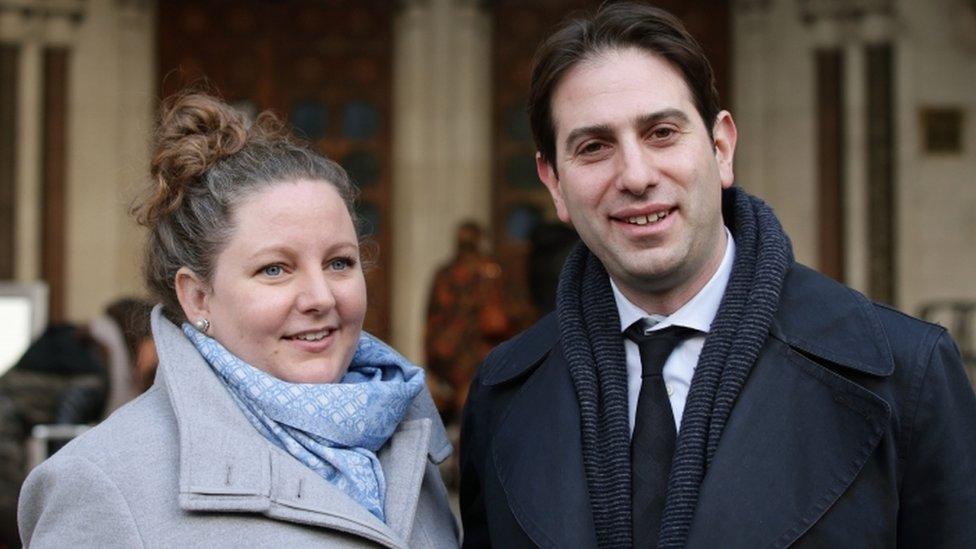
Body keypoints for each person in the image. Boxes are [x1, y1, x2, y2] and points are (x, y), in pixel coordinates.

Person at [459, 3, 976, 548]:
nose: (635, 176)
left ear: (721, 147)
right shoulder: (502, 397)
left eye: (661, 132)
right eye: (594, 147)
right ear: (554, 182)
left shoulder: (905, 375)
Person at [19, 93, 458, 548]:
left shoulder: (407, 438)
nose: (321, 297)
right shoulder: (102, 483)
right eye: (275, 269)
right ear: (197, 298)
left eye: (340, 263)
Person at [424, 220, 510, 424]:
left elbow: (431, 318)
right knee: (470, 403)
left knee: (465, 402)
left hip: (457, 349)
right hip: (468, 350)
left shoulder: (447, 273)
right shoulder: (489, 270)